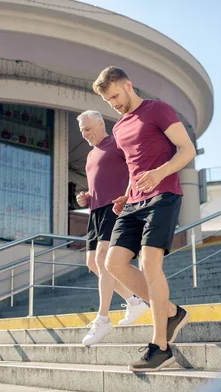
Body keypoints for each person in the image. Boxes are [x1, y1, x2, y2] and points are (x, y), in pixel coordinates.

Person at [92, 66, 196, 372]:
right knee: (112, 263)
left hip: (164, 194)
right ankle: (172, 312)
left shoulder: (158, 110)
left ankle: (160, 346)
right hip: (134, 202)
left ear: (128, 85)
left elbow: (187, 149)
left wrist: (160, 172)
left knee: (149, 264)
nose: (113, 103)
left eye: (115, 96)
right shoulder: (120, 127)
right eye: (108, 101)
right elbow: (135, 168)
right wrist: (126, 193)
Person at [76, 110, 149, 346]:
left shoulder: (117, 142)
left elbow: (134, 169)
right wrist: (86, 197)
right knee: (91, 263)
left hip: (115, 207)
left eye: (87, 129)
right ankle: (134, 302)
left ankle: (103, 318)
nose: (84, 134)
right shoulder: (90, 155)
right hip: (95, 210)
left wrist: (129, 196)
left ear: (99, 124)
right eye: (82, 131)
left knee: (102, 257)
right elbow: (98, 182)